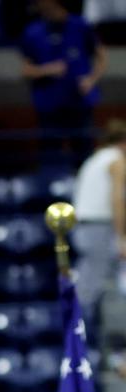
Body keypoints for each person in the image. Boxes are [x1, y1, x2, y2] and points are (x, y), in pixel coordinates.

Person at [20, 0, 106, 166]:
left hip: (79, 103)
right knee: (51, 155)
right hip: (49, 105)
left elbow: (102, 56)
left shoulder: (81, 25)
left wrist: (91, 79)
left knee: (84, 155)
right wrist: (48, 70)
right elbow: (26, 70)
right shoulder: (33, 31)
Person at [72, 118, 126, 324]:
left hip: (83, 226)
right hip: (99, 227)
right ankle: (76, 338)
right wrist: (121, 237)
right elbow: (117, 199)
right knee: (90, 286)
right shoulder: (116, 160)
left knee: (96, 283)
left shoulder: (95, 159)